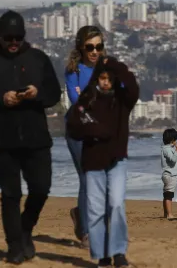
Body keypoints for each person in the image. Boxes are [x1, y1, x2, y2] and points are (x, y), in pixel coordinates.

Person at [0, 10, 61, 264]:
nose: (13, 42)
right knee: (10, 194)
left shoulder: (38, 59)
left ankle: (25, 228)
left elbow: (54, 94)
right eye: (8, 38)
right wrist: (1, 99)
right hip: (2, 139)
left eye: (18, 37)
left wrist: (36, 93)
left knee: (41, 188)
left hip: (36, 138)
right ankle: (14, 247)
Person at [66, 56, 139, 268]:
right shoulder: (87, 99)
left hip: (117, 160)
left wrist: (113, 64)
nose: (105, 82)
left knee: (116, 204)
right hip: (93, 161)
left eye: (109, 78)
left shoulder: (123, 100)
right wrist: (95, 131)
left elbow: (133, 85)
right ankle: (103, 255)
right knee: (96, 210)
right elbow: (72, 126)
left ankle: (119, 253)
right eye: (102, 78)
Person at [64, 25, 106, 247]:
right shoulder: (74, 70)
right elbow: (76, 101)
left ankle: (80, 217)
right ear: (81, 46)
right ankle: (88, 233)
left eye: (98, 46)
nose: (94, 51)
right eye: (90, 46)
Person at [160, 128, 177, 220]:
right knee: (169, 195)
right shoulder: (167, 149)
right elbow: (173, 160)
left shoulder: (167, 148)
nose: (176, 141)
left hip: (168, 174)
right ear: (172, 140)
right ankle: (169, 214)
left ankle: (166, 213)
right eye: (175, 140)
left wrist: (176, 148)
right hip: (170, 174)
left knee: (166, 194)